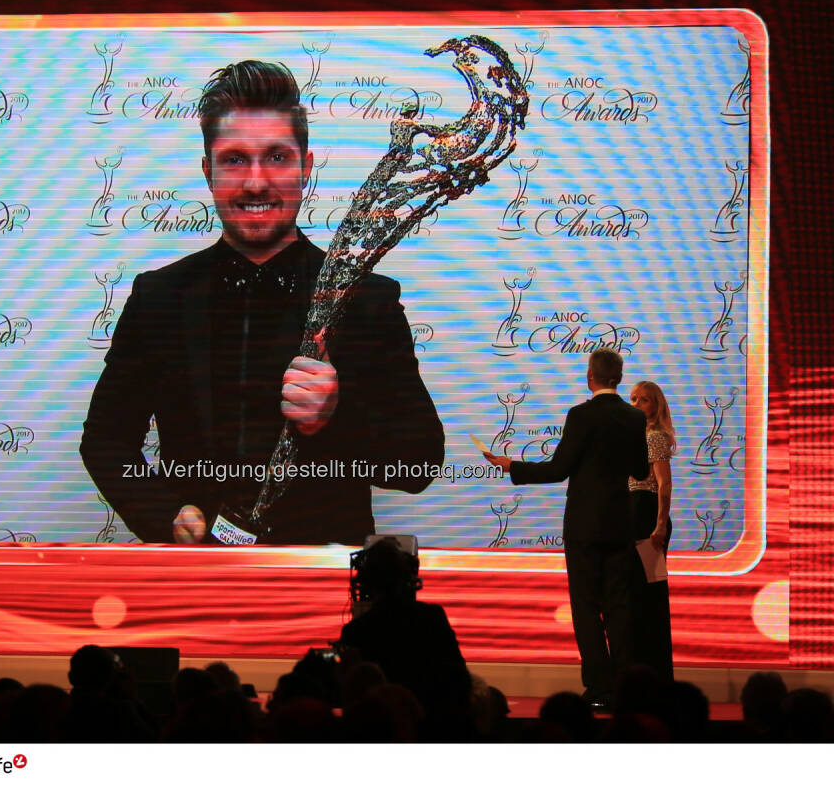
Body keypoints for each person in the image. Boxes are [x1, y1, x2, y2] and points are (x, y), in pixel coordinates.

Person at [80, 60, 444, 545]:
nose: (255, 182)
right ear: (208, 170)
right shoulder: (159, 298)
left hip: (327, 585)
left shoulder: (368, 300)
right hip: (196, 584)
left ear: (305, 167)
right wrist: (163, 513)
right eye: (234, 159)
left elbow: (418, 464)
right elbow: (105, 441)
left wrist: (338, 415)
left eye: (276, 157)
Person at [486, 348, 649, 709]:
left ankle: (599, 689)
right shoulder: (635, 418)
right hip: (620, 526)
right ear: (618, 378)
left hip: (585, 527)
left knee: (587, 608)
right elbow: (640, 470)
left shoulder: (580, 415)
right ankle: (626, 690)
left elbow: (559, 470)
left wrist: (512, 466)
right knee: (619, 608)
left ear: (590, 376)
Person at [337, 538, 472, 740]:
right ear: (407, 578)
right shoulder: (432, 617)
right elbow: (460, 680)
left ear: (365, 582)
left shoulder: (356, 631)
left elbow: (350, 699)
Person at [628, 380, 675, 682]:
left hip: (648, 516)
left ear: (656, 406)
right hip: (632, 514)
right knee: (634, 597)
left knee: (651, 596)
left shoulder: (655, 436)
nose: (636, 404)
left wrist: (659, 525)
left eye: (643, 400)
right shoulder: (633, 436)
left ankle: (656, 674)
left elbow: (664, 483)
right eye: (632, 399)